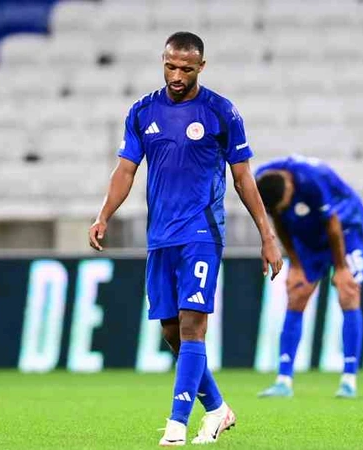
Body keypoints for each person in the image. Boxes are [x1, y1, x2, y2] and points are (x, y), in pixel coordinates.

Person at [89, 31, 283, 446]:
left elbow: (243, 178)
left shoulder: (220, 112)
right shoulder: (143, 111)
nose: (177, 76)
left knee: (193, 326)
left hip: (202, 233)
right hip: (160, 236)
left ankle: (177, 424)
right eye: (171, 66)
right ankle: (218, 409)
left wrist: (267, 235)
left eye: (186, 69)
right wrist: (104, 215)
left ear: (201, 67)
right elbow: (126, 170)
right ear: (163, 62)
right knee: (172, 332)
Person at [254, 155, 363, 399]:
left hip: (345, 228)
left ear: (291, 187)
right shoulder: (263, 181)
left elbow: (332, 223)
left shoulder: (311, 179)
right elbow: (278, 220)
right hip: (308, 233)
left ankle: (349, 380)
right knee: (297, 292)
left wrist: (341, 268)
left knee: (348, 291)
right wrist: (295, 264)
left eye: (284, 205)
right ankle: (283, 381)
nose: (280, 210)